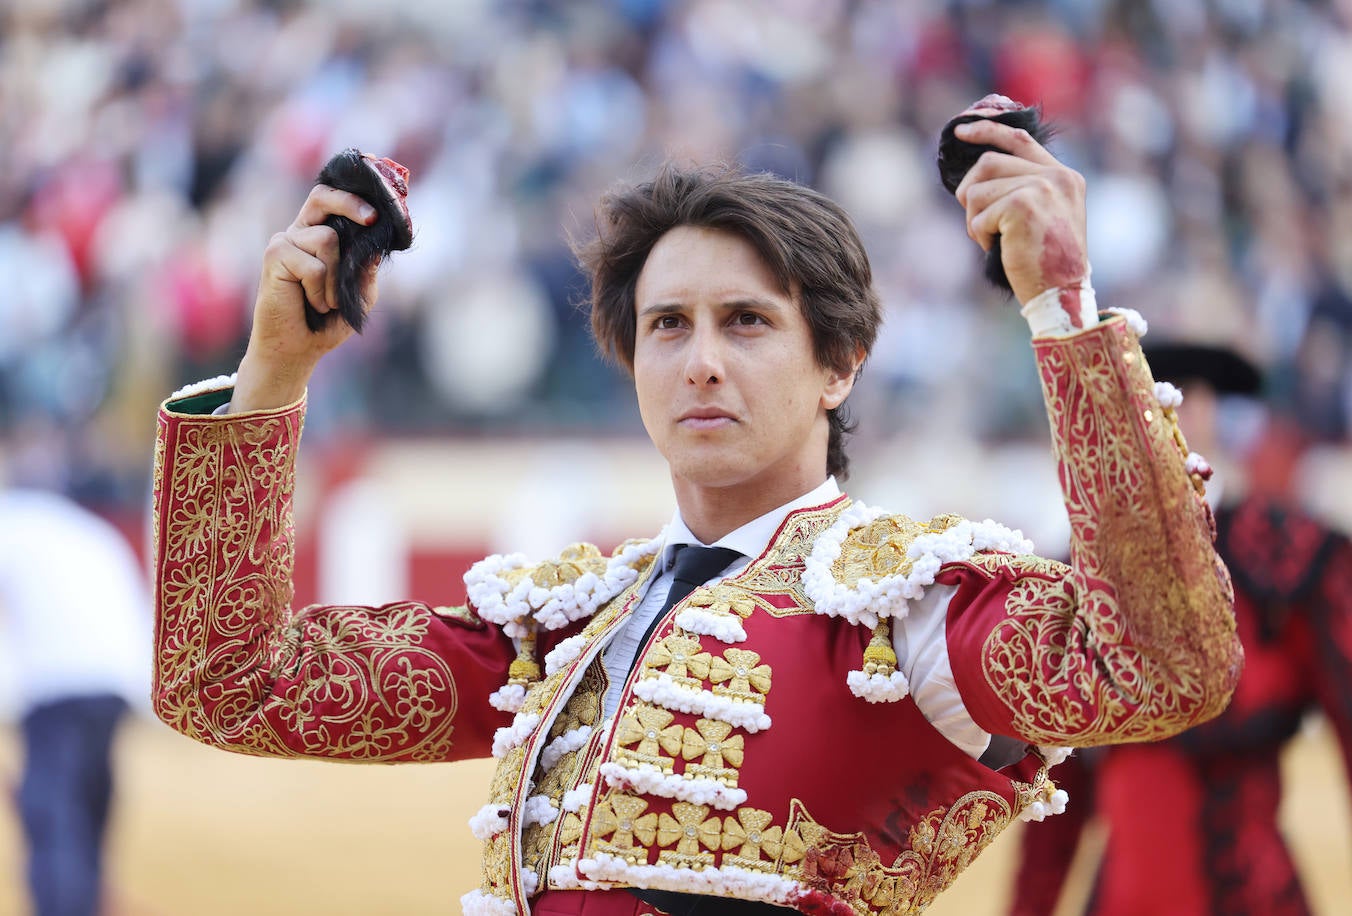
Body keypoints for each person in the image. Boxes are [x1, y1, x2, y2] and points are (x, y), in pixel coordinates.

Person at [148, 99, 1242, 915]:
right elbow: (230, 683)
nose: (702, 362)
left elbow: (1156, 665)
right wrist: (272, 375)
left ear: (840, 365)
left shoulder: (906, 613)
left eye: (748, 323)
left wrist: (1063, 312)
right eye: (668, 326)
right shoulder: (572, 630)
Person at [1007, 343, 1352, 916]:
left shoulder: (1295, 557)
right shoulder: (1079, 578)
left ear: (1204, 412)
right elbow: (1056, 800)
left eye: (1176, 398)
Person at [0, 473, 151, 916]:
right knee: (85, 797)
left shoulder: (9, 523)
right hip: (117, 679)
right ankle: (85, 891)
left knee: (52, 812)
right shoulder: (85, 529)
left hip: (58, 681)